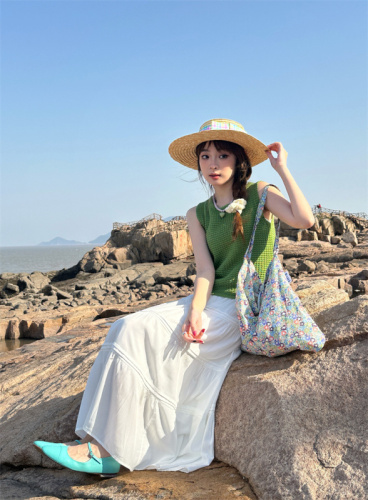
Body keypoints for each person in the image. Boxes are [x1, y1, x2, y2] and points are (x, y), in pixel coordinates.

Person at [34, 118, 315, 477]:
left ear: (239, 161)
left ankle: (106, 451)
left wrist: (282, 168)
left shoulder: (261, 192)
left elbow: (304, 219)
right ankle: (100, 445)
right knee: (125, 328)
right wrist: (195, 312)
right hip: (208, 302)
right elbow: (205, 272)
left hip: (243, 309)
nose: (213, 164)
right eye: (206, 156)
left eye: (223, 155)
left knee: (149, 341)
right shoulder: (196, 214)